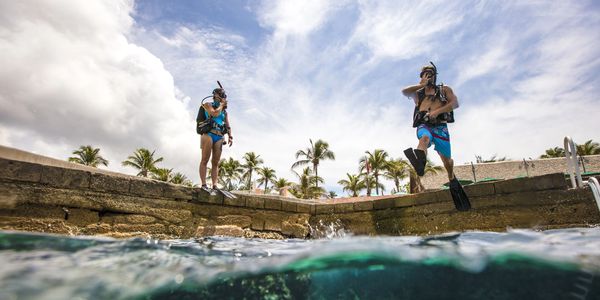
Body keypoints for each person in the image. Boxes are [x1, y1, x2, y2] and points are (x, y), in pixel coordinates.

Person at [401, 62, 470, 211]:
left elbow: (455, 103)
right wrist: (421, 85)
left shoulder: (444, 90)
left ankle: (451, 178)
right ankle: (420, 161)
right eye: (424, 74)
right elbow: (404, 91)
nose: (427, 77)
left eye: (430, 74)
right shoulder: (418, 93)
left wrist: (436, 112)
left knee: (447, 161)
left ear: (435, 75)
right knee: (424, 139)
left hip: (440, 128)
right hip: (424, 127)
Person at [199, 87, 233, 192]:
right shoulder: (207, 105)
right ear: (215, 96)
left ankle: (214, 185)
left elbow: (227, 125)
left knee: (215, 162)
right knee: (205, 159)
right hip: (208, 134)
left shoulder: (225, 112)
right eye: (221, 95)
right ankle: (204, 184)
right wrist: (222, 105)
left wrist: (230, 136)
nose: (222, 98)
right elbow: (214, 114)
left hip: (219, 136)